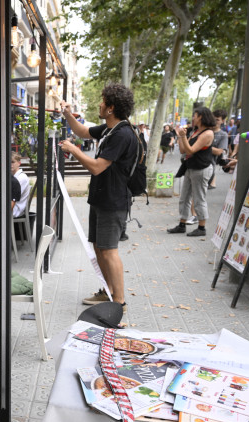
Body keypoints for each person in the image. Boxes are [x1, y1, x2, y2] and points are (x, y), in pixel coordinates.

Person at [59, 83, 139, 313]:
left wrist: (75, 151)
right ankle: (107, 290)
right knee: (98, 246)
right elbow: (82, 131)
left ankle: (119, 302)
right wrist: (67, 113)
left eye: (103, 101)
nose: (100, 104)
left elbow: (96, 167)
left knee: (109, 250)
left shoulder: (122, 134)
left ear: (112, 107)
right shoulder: (109, 128)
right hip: (101, 198)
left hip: (113, 201)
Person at [167, 107, 215, 237]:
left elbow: (191, 150)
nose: (193, 118)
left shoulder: (208, 133)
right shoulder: (196, 132)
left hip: (201, 169)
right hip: (190, 167)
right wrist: (180, 137)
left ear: (201, 117)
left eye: (195, 115)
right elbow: (183, 150)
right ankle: (182, 224)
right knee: (184, 197)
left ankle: (202, 227)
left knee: (199, 198)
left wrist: (183, 136)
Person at [206, 109, 228, 190]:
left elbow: (219, 151)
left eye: (217, 119)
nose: (214, 121)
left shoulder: (223, 135)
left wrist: (202, 145)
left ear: (222, 121)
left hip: (208, 167)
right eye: (213, 118)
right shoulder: (204, 131)